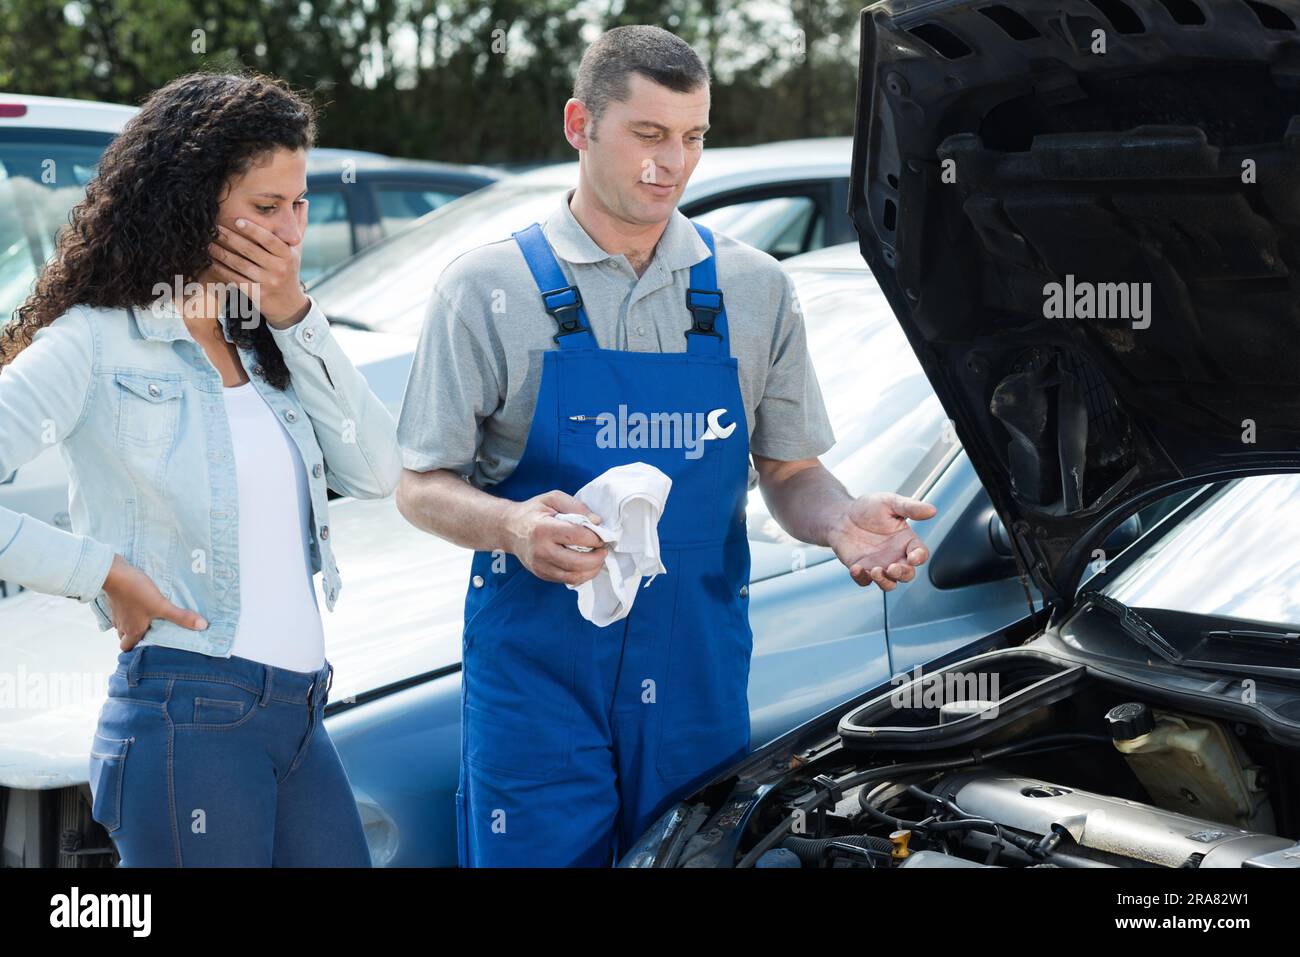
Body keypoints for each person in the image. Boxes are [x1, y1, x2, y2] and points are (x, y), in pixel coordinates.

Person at [394, 25, 936, 867]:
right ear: (579, 124)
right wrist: (512, 527)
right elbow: (422, 484)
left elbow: (790, 471)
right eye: (647, 135)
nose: (670, 164)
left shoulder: (754, 289)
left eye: (691, 138)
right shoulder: (487, 288)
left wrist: (838, 520)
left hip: (694, 680)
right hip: (536, 678)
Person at [0, 72, 402, 866]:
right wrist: (101, 570)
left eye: (299, 204)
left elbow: (378, 469)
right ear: (189, 202)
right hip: (187, 715)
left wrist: (296, 315)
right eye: (264, 207)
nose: (290, 232)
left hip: (299, 712)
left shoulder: (264, 334)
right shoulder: (95, 341)